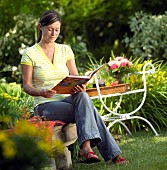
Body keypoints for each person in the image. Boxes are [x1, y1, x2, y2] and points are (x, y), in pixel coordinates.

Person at [20, 10, 127, 165]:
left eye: (57, 30)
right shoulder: (30, 53)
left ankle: (86, 147)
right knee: (89, 109)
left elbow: (76, 77)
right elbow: (27, 86)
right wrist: (41, 91)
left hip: (70, 99)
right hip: (45, 105)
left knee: (83, 97)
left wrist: (81, 86)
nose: (53, 33)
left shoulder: (65, 50)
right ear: (40, 27)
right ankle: (106, 152)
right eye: (50, 29)